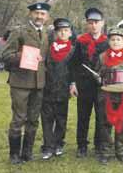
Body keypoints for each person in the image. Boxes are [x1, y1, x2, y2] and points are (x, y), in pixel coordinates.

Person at [1, 2, 50, 164]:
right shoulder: (19, 31)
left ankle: (27, 153)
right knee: (19, 118)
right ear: (30, 14)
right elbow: (6, 55)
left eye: (42, 14)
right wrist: (24, 55)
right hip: (21, 82)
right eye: (36, 13)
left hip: (38, 83)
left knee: (33, 119)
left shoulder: (46, 33)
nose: (39, 17)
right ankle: (14, 155)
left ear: (47, 17)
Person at [69, 8, 109, 158]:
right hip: (84, 85)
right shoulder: (80, 42)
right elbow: (73, 64)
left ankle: (99, 145)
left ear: (102, 23)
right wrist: (72, 83)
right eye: (90, 23)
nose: (93, 26)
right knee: (83, 116)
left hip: (101, 86)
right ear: (87, 24)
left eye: (96, 22)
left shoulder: (107, 42)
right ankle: (82, 146)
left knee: (101, 116)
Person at [96, 27, 123, 165]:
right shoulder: (102, 57)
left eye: (118, 39)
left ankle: (121, 151)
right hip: (106, 95)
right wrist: (99, 78)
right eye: (113, 39)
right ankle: (106, 152)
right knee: (105, 124)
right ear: (109, 41)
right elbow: (97, 73)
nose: (115, 42)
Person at [41, 18, 75, 160]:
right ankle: (48, 146)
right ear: (55, 33)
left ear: (70, 33)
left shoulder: (73, 50)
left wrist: (72, 83)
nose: (62, 33)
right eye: (60, 30)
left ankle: (59, 143)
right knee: (47, 119)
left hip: (63, 89)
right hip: (47, 88)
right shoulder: (48, 48)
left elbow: (74, 69)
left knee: (61, 119)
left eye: (66, 30)